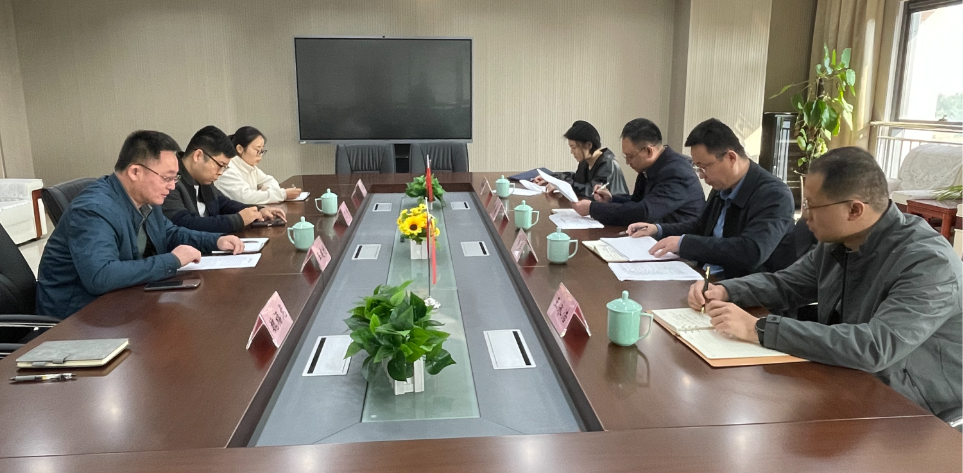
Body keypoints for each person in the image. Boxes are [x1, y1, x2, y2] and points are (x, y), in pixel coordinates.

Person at [691, 147, 963, 415]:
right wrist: (726, 290)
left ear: (854, 210)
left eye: (813, 206)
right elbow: (787, 284)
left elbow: (874, 347)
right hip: (852, 378)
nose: (805, 216)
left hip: (916, 407)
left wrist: (758, 329)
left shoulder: (928, 262)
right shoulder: (840, 241)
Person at [35, 130, 243, 319]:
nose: (172, 186)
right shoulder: (93, 210)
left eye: (175, 178)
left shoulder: (145, 199)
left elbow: (169, 233)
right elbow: (101, 276)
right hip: (76, 318)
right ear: (135, 172)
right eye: (167, 178)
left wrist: (216, 241)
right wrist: (171, 261)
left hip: (120, 302)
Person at [628, 118, 795, 279]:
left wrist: (684, 244)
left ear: (731, 157)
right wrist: (658, 230)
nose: (702, 176)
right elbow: (701, 227)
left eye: (704, 167)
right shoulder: (723, 185)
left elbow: (751, 252)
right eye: (698, 168)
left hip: (743, 289)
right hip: (705, 277)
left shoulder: (774, 195)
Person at [571, 118, 704, 227]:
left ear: (649, 151)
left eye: (630, 156)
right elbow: (637, 201)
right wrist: (611, 199)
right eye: (625, 156)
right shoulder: (650, 167)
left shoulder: (676, 172)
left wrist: (592, 208)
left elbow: (643, 212)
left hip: (678, 242)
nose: (627, 162)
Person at [163, 126, 286, 233]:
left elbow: (223, 204)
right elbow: (183, 223)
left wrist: (257, 210)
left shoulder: (202, 179)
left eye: (224, 167)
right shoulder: (170, 181)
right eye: (220, 165)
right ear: (198, 156)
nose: (221, 172)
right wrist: (237, 220)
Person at [532, 120, 628, 199]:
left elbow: (592, 192)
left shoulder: (608, 164)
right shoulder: (585, 161)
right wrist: (551, 177)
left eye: (574, 147)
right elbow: (577, 180)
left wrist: (561, 184)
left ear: (588, 145)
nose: (572, 152)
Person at [214, 126, 302, 204]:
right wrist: (283, 194)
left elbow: (270, 180)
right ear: (240, 149)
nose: (260, 155)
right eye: (257, 150)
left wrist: (265, 192)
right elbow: (246, 198)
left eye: (262, 151)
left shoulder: (250, 167)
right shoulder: (227, 170)